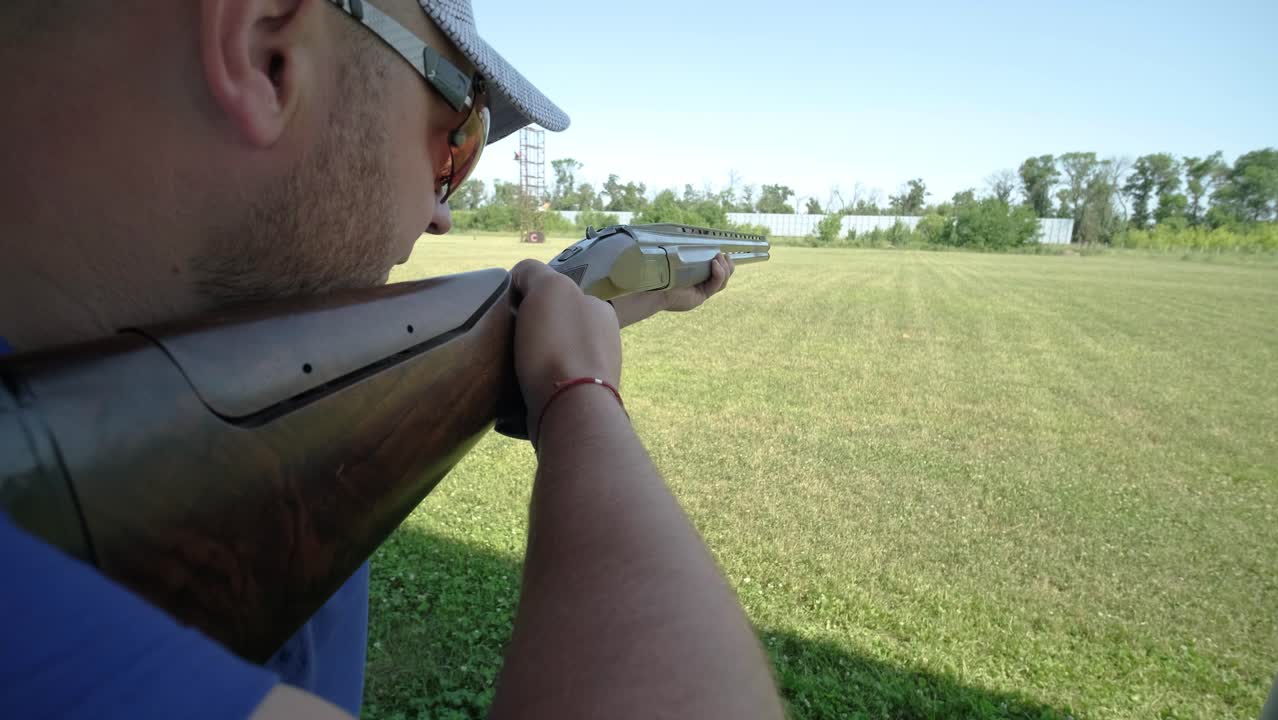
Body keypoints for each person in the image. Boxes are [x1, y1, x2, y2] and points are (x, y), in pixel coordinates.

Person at [0, 1, 785, 718]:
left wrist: (607, 304)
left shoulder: (220, 398)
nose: (442, 211)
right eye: (459, 138)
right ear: (266, 51)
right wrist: (581, 396)